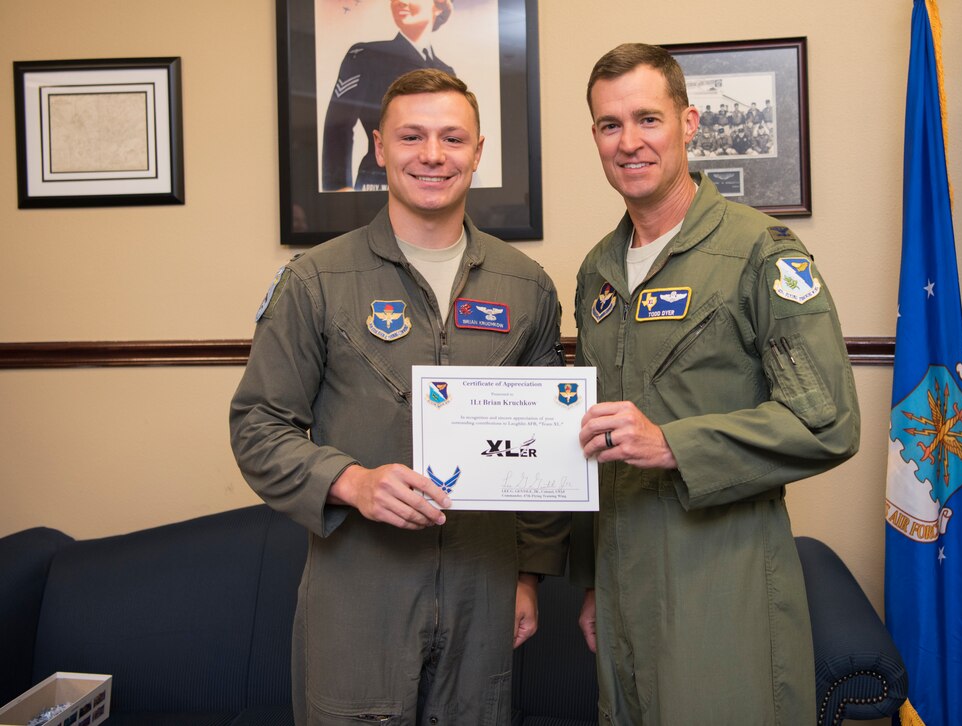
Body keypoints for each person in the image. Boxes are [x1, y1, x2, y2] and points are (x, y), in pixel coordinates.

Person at [232, 68, 568, 726]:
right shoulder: (317, 280)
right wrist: (350, 482)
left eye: (452, 138)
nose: (433, 156)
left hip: (484, 584)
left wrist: (530, 575)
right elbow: (258, 428)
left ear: (478, 150)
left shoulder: (525, 285)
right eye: (412, 136)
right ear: (381, 147)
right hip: (359, 588)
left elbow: (547, 451)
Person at [571, 43, 860, 724]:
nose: (629, 142)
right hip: (620, 574)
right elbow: (592, 438)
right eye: (610, 125)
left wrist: (672, 444)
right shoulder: (597, 270)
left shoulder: (760, 252)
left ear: (689, 123)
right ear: (595, 138)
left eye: (648, 119)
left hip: (719, 575)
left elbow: (828, 421)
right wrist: (590, 581)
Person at [322, 0, 456, 191]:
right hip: (378, 183)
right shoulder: (366, 56)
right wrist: (339, 187)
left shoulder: (445, 71)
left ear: (438, 7)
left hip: (434, 185)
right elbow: (338, 125)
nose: (400, 2)